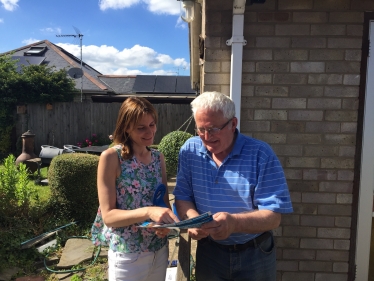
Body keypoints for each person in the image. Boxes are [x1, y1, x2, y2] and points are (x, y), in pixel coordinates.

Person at [173, 91, 293, 281]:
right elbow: (182, 196)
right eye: (200, 129)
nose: (206, 136)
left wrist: (234, 223)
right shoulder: (190, 150)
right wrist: (194, 220)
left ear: (233, 124)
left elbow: (273, 217)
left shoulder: (261, 154)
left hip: (254, 253)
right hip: (210, 252)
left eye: (212, 129)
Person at [91, 96, 179, 281]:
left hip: (159, 250)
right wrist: (148, 211)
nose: (150, 132)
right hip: (128, 255)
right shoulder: (111, 158)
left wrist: (166, 225)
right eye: (141, 127)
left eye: (152, 124)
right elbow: (109, 217)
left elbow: (162, 204)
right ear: (126, 127)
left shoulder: (158, 158)